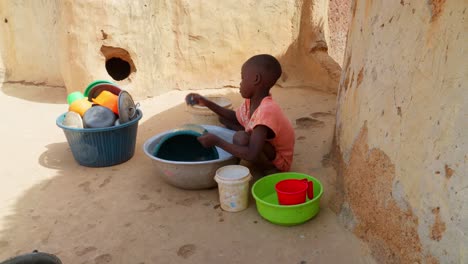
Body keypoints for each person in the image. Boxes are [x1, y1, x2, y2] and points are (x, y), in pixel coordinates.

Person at [185, 54, 295, 172]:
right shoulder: (252, 101)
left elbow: (251, 154)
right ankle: (247, 142)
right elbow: (235, 117)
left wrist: (217, 141)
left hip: (279, 163)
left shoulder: (267, 110)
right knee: (223, 119)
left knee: (241, 138)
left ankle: (269, 170)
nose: (240, 83)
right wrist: (206, 103)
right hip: (266, 146)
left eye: (243, 78)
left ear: (256, 79)